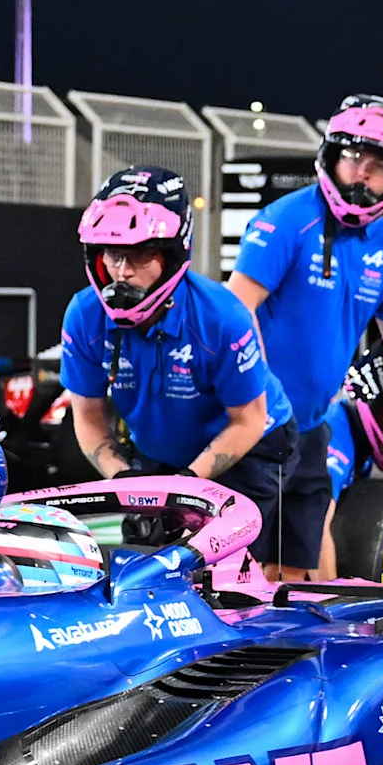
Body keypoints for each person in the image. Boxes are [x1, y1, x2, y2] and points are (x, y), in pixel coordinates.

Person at [229, 96, 383, 577]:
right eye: (353, 158)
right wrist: (263, 401)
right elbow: (238, 311)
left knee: (295, 569)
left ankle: (292, 649)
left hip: (315, 425)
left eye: (377, 166)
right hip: (255, 425)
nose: (362, 173)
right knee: (240, 569)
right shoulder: (285, 220)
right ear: (332, 158)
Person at [62, 168, 296, 529]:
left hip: (251, 444)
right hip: (160, 453)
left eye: (139, 255)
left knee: (223, 559)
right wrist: (123, 479)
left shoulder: (223, 317)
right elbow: (88, 416)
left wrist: (186, 488)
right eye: (112, 254)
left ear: (170, 255)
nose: (122, 272)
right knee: (145, 556)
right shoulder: (84, 315)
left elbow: (248, 421)